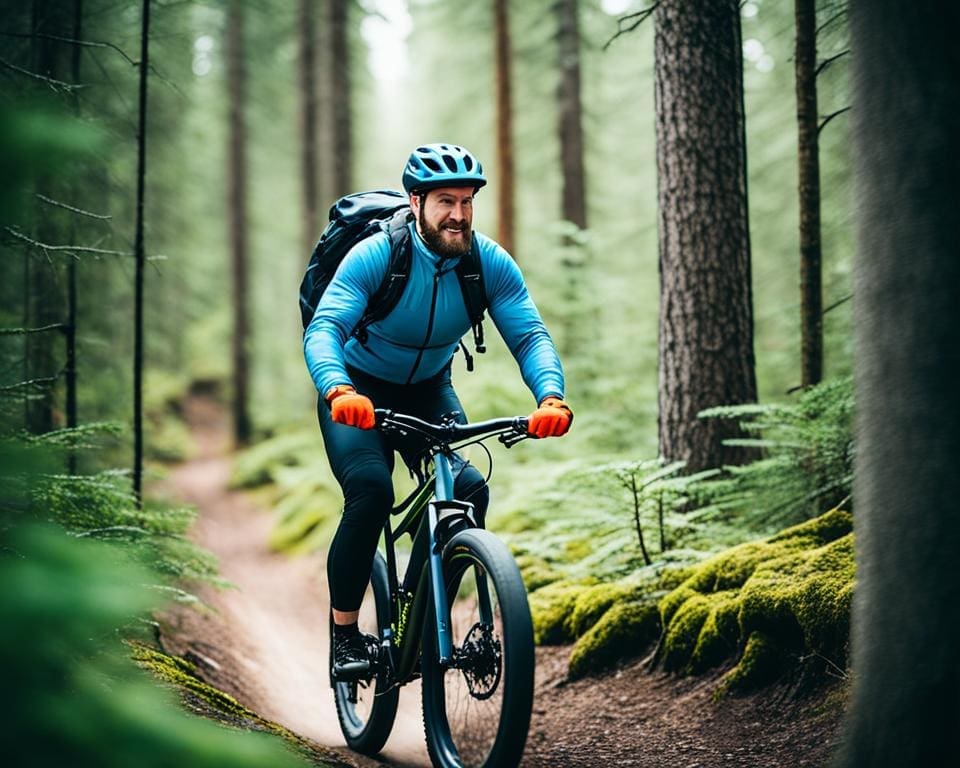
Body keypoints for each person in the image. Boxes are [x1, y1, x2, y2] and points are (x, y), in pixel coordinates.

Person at [303, 143, 573, 679]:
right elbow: (326, 328)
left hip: (428, 387)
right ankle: (345, 636)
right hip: (357, 389)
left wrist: (550, 395)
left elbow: (529, 333)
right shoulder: (378, 254)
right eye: (445, 201)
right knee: (373, 491)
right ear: (416, 201)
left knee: (470, 489)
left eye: (467, 201)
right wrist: (338, 389)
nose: (458, 214)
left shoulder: (485, 262)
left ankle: (428, 617)